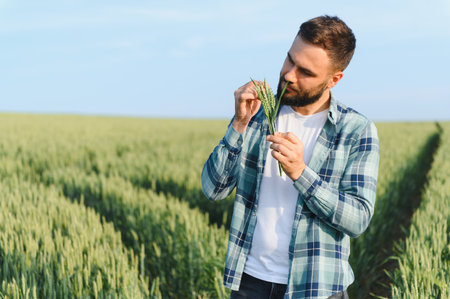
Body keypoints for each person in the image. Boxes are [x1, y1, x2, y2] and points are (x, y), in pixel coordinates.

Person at [201, 15, 380, 299]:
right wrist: (238, 124)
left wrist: (300, 172)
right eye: (289, 60)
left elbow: (357, 219)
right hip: (250, 283)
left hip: (318, 288)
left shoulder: (356, 130)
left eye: (305, 72)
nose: (289, 75)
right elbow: (213, 189)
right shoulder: (258, 114)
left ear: (334, 79)